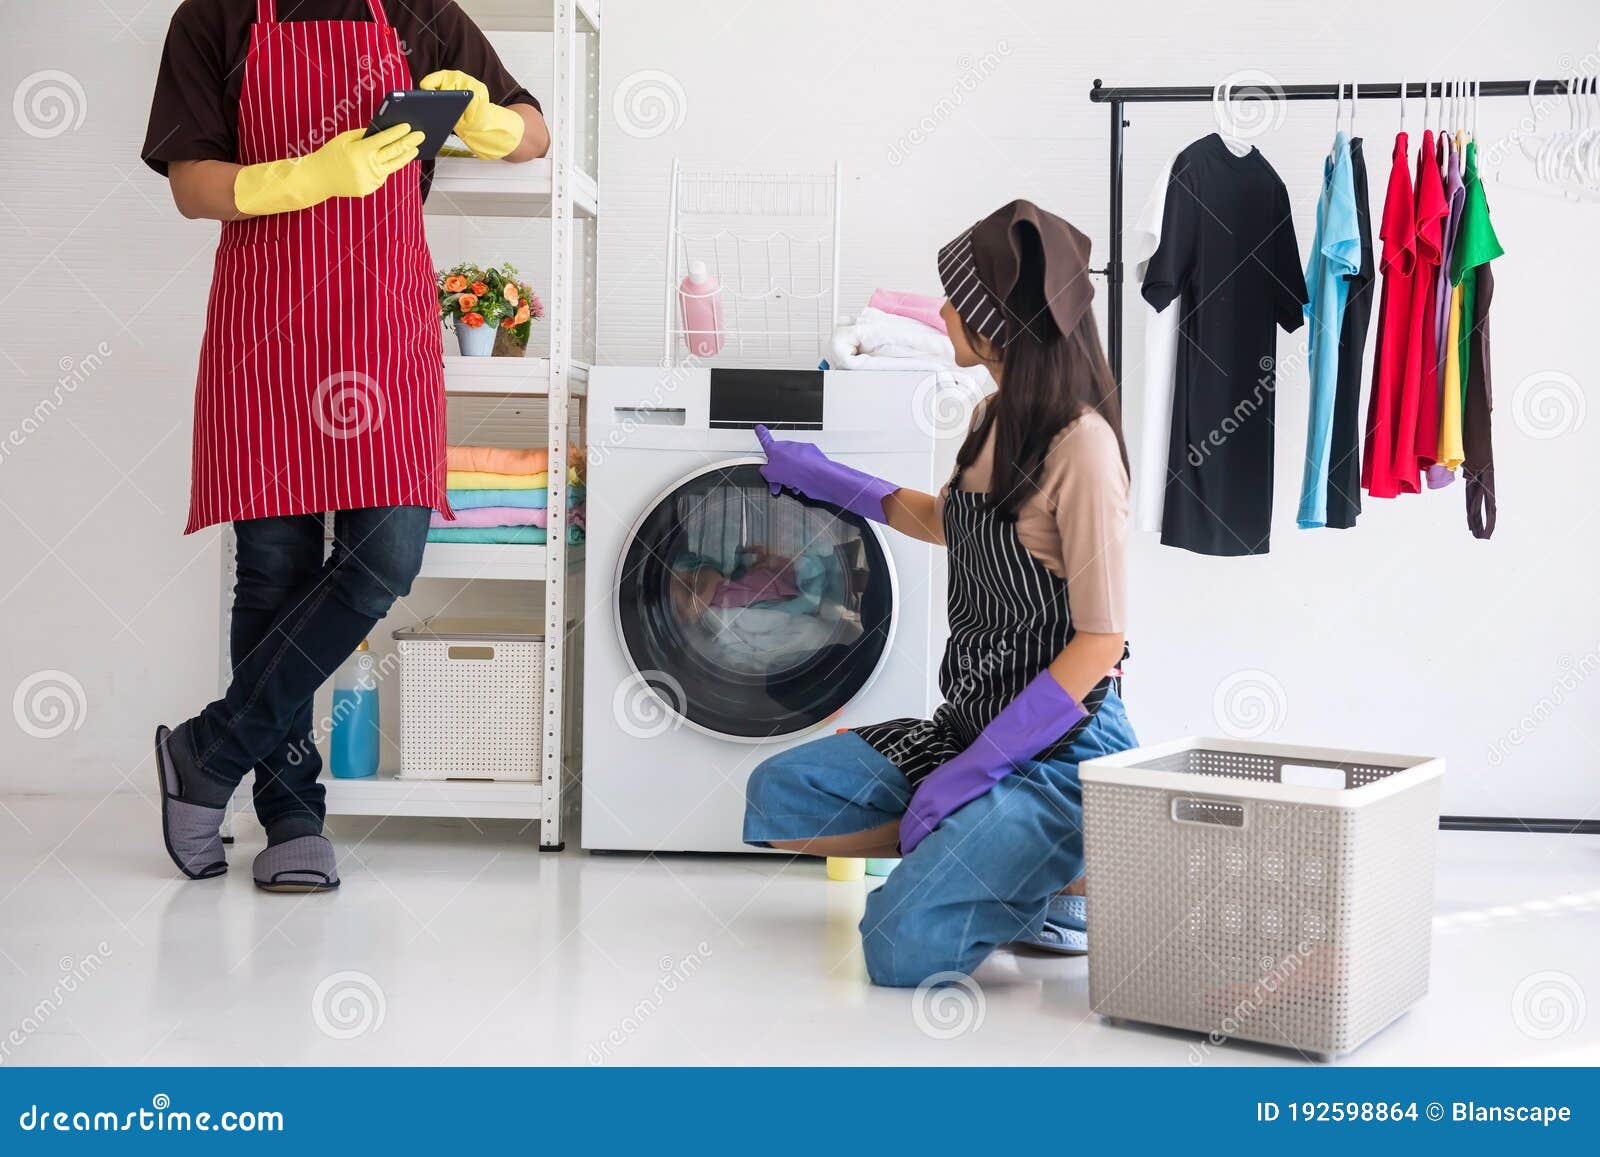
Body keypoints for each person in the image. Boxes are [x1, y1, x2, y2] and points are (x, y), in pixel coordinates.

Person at [141, 0, 548, 892]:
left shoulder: (418, 11)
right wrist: (306, 175)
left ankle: (207, 751)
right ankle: (291, 808)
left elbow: (533, 131)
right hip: (270, 322)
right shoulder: (214, 15)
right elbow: (190, 183)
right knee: (275, 568)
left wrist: (484, 118)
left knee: (383, 556)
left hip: (382, 321)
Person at [745, 201, 1138, 986]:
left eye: (959, 299)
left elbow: (1103, 641)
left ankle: (1055, 871)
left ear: (999, 323)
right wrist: (831, 481)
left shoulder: (1083, 447)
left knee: (899, 947)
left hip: (1061, 751)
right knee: (781, 797)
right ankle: (1005, 870)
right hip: (969, 722)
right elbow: (953, 521)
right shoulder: (996, 416)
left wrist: (981, 769)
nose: (945, 311)